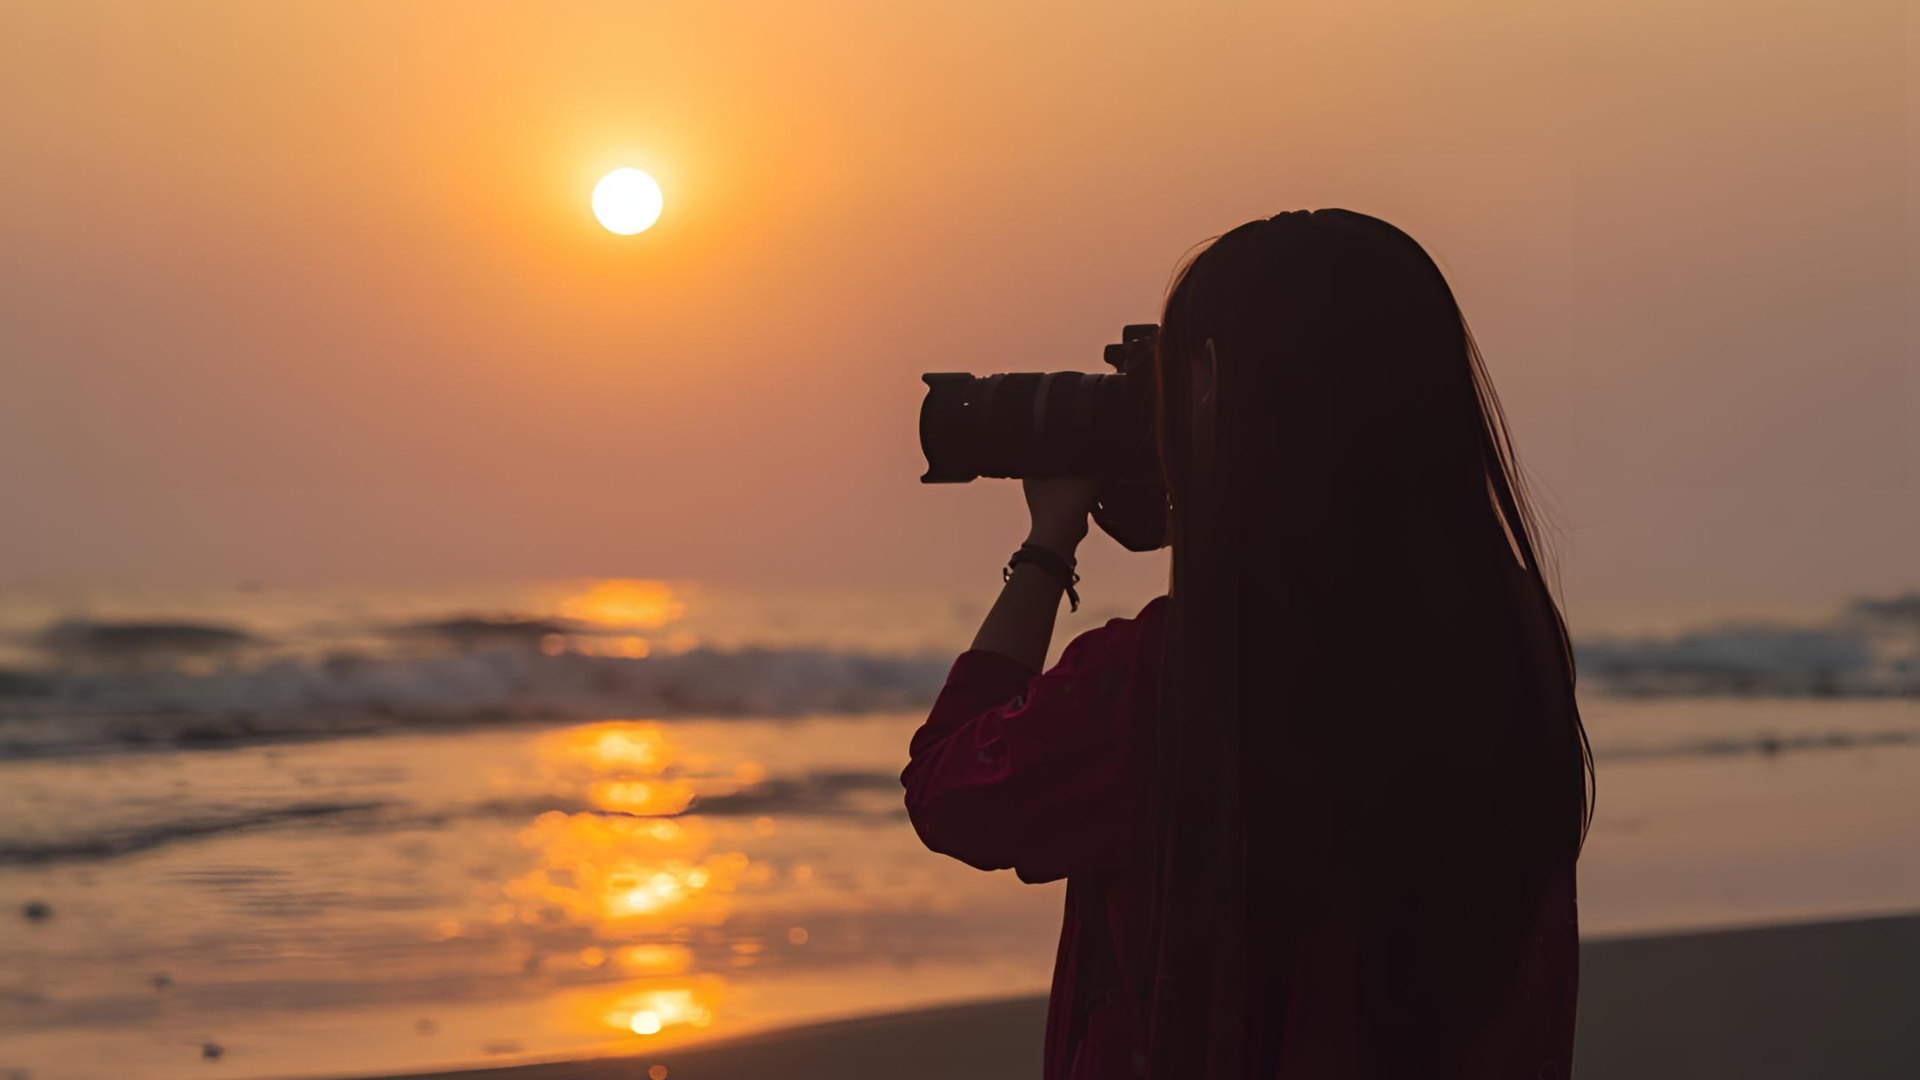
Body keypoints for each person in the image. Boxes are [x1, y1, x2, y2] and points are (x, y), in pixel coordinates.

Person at [900, 209, 1595, 1080]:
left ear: (1211, 378)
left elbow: (951, 786)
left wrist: (1047, 546)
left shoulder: (1170, 684)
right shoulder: (1508, 650)